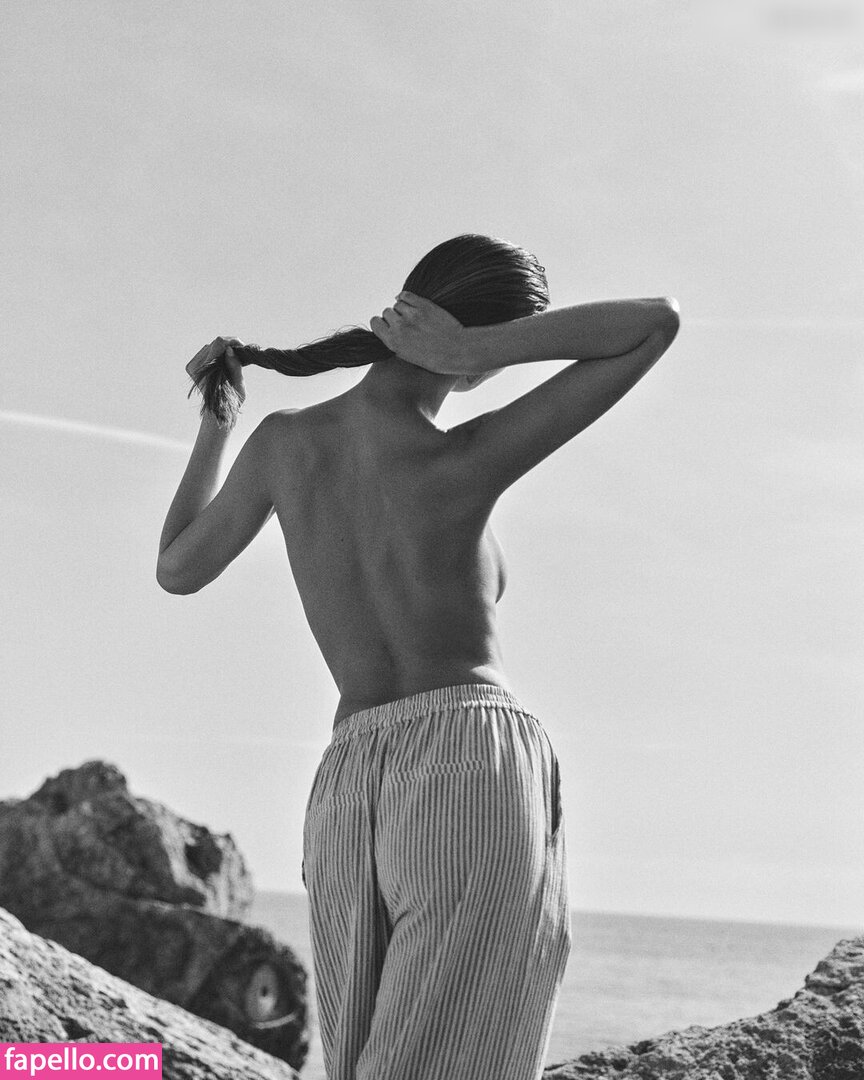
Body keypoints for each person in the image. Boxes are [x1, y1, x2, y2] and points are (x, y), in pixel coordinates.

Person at [157, 234, 680, 1080]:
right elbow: (655, 323)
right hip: (470, 766)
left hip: (349, 783)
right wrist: (476, 349)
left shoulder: (284, 443)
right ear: (481, 343)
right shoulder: (466, 456)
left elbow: (177, 568)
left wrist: (218, 426)